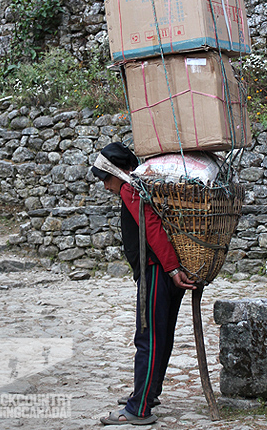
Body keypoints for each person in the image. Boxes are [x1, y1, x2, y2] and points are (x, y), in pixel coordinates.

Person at [91, 142, 196, 426]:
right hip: (164, 270)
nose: (105, 186)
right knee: (161, 335)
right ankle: (148, 393)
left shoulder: (130, 189)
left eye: (105, 178)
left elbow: (151, 226)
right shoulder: (141, 187)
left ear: (116, 172)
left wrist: (172, 268)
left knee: (147, 337)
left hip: (156, 271)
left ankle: (139, 409)